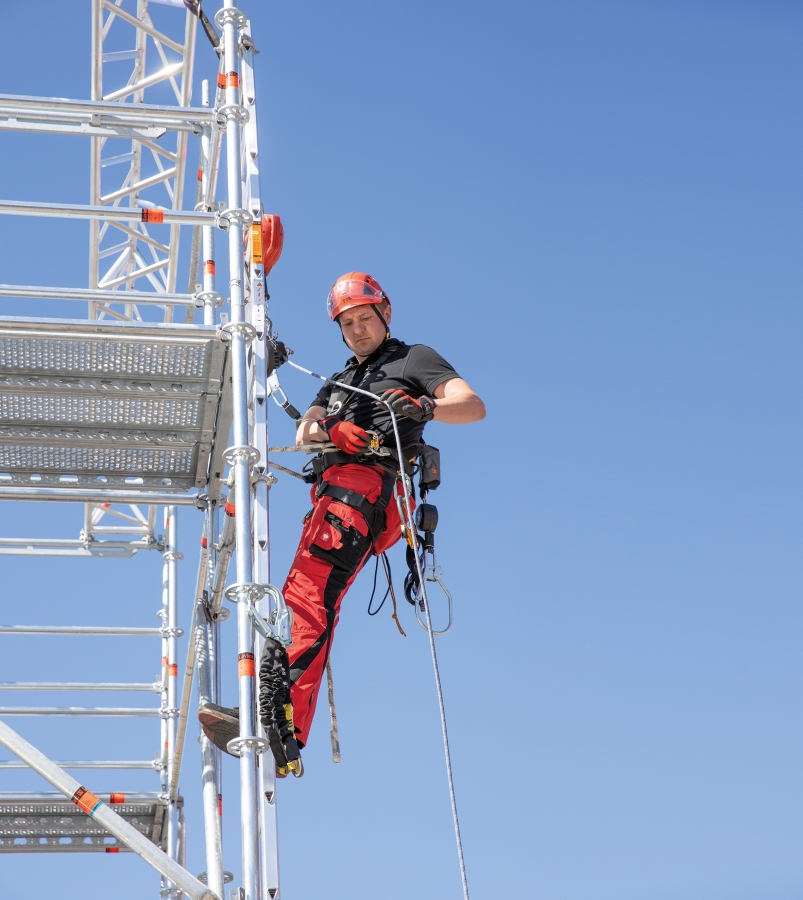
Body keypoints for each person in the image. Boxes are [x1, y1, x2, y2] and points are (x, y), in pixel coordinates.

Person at [200, 272, 485, 776]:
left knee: (306, 601)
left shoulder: (412, 359)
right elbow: (306, 430)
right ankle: (280, 721)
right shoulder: (339, 381)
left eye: (364, 319)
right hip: (333, 498)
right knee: (300, 601)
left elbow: (472, 406)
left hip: (364, 493)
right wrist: (332, 426)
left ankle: (276, 723)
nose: (357, 330)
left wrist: (424, 405)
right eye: (347, 323)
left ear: (385, 314)